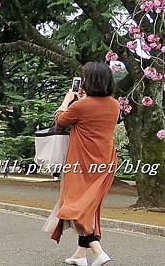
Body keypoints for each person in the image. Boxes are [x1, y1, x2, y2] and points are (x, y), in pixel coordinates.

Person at [50, 63, 119, 266]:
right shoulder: (114, 105)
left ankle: (99, 252)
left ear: (89, 82)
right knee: (88, 208)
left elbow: (60, 121)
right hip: (105, 162)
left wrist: (66, 102)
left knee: (72, 207)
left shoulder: (81, 106)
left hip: (82, 164)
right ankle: (80, 255)